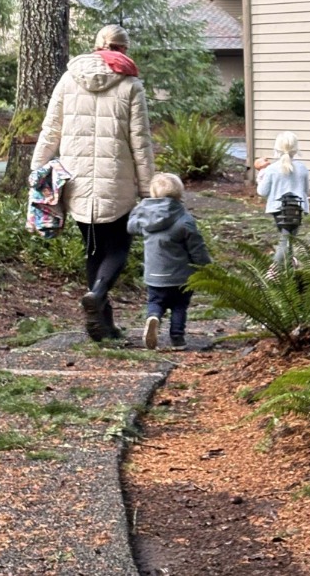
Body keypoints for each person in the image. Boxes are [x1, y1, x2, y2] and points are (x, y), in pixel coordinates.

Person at [31, 24, 155, 342]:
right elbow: (140, 142)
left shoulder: (69, 77)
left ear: (97, 45)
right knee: (118, 250)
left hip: (77, 182)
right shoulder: (131, 85)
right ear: (123, 49)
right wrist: (147, 187)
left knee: (93, 250)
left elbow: (50, 130)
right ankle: (98, 295)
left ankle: (103, 324)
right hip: (119, 185)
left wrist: (37, 171)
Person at [128, 173, 212, 351]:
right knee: (179, 306)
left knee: (155, 301)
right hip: (181, 276)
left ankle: (153, 317)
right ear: (179, 194)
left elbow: (131, 227)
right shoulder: (184, 220)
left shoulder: (145, 218)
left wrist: (140, 209)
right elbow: (197, 248)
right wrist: (205, 267)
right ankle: (177, 338)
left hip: (154, 273)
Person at [253, 131, 310, 267]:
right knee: (288, 240)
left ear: (276, 148)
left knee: (286, 239)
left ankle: (281, 270)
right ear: (296, 149)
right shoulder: (302, 168)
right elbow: (306, 191)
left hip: (277, 209)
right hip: (297, 208)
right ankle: (280, 270)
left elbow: (262, 191)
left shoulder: (271, 169)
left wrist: (261, 173)